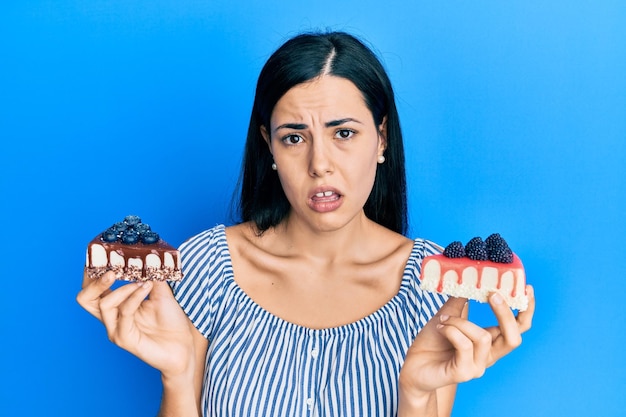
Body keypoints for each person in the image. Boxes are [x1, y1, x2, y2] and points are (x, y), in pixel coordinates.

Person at [77, 31, 535, 417]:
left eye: (344, 133)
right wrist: (177, 378)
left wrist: (415, 396)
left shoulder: (432, 287)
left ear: (382, 140)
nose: (320, 164)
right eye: (294, 137)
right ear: (269, 148)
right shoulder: (206, 267)